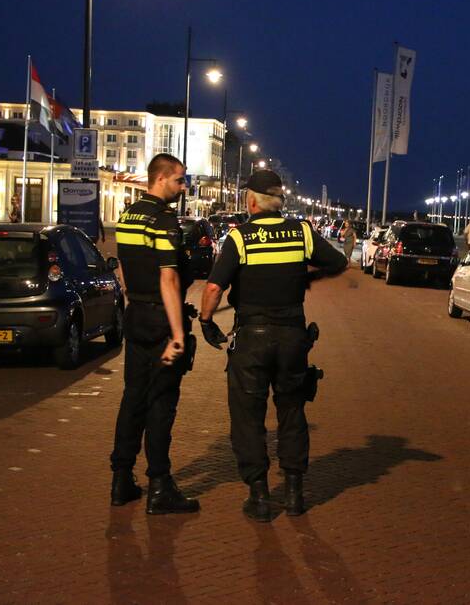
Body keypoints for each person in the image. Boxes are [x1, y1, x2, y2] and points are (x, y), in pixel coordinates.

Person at [199, 169, 347, 522]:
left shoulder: (240, 238)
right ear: (279, 202)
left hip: (252, 337)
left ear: (251, 201)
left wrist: (205, 322)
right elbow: (339, 262)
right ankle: (295, 493)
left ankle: (261, 496)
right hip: (293, 337)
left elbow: (213, 289)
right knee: (292, 410)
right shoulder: (302, 233)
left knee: (248, 416)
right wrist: (309, 276)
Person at [109, 153, 200, 514]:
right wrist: (177, 334)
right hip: (161, 319)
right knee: (161, 403)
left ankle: (121, 478)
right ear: (161, 178)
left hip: (136, 316)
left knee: (133, 398)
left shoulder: (128, 215)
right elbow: (168, 276)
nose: (183, 187)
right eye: (179, 180)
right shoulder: (164, 220)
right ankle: (160, 486)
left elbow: (129, 269)